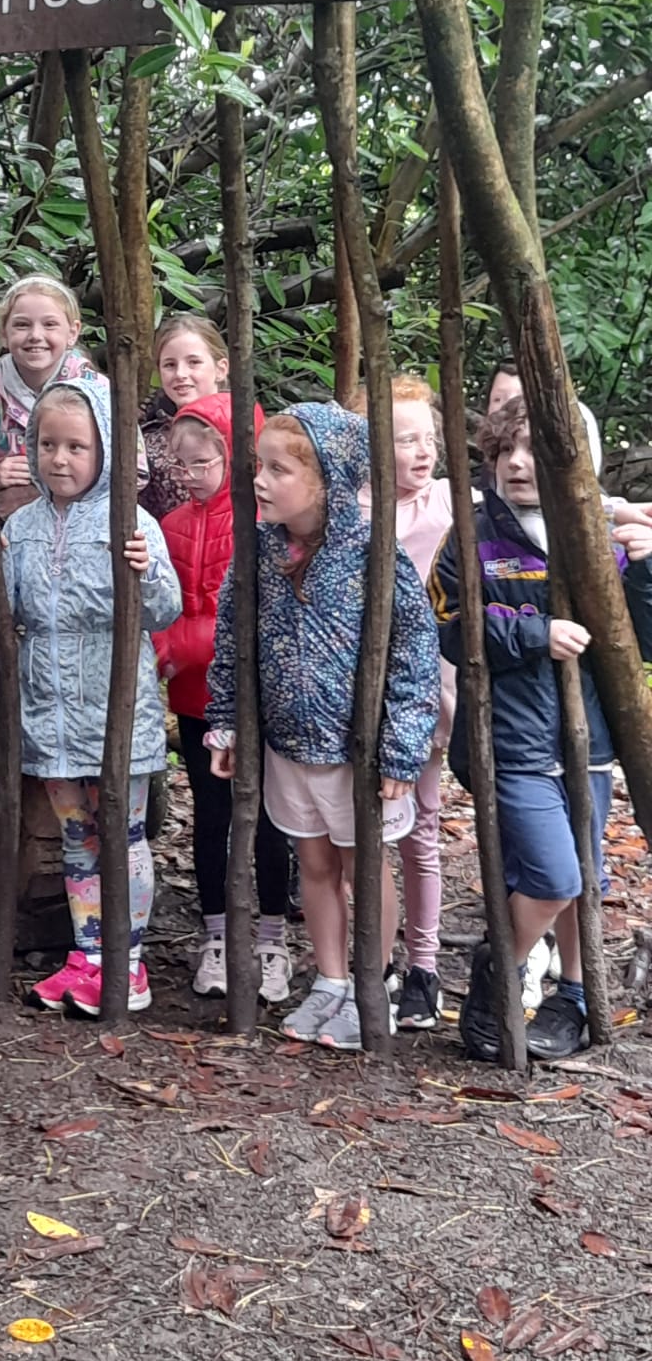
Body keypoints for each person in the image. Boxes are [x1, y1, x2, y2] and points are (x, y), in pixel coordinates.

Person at [206, 403, 440, 1051]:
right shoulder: (258, 553)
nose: (260, 480)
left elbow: (414, 655)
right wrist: (226, 721)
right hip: (288, 747)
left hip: (355, 754)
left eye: (279, 470)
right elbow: (231, 640)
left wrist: (401, 750)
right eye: (259, 466)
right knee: (313, 862)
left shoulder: (373, 555)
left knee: (364, 866)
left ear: (329, 479)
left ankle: (374, 980)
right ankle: (331, 980)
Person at [429, 395, 652, 1061]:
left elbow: (641, 641)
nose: (518, 464)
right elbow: (449, 625)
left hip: (589, 745)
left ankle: (574, 999)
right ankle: (497, 976)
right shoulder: (473, 534)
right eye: (506, 450)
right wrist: (533, 633)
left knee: (587, 877)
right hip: (512, 742)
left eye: (536, 451)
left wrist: (645, 569)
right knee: (555, 876)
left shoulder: (601, 536)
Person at [0, 378, 181, 1016]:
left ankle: (127, 962)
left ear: (105, 450)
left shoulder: (132, 521)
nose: (59, 459)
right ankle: (88, 954)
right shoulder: (21, 524)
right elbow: (1, 613)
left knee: (121, 832)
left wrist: (146, 571)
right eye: (47, 444)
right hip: (49, 705)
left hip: (114, 703)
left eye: (76, 447)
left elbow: (164, 609)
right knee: (76, 835)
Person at [151, 395, 294, 1003]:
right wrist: (164, 645)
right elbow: (162, 604)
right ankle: (214, 936)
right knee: (210, 818)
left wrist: (186, 643)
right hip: (194, 699)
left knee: (266, 820)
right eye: (180, 464)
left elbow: (257, 620)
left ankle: (272, 938)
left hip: (257, 702)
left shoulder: (263, 528)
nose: (189, 475)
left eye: (202, 463)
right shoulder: (170, 525)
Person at [347, 376, 452, 1030]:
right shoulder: (350, 510)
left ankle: (425, 966)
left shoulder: (451, 503)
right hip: (360, 692)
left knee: (423, 828)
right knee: (362, 831)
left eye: (428, 437)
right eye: (405, 439)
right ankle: (376, 958)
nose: (422, 451)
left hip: (428, 692)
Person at [0, 274, 100, 506]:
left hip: (84, 513)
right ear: (4, 333)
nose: (35, 336)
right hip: (3, 518)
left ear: (72, 332)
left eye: (50, 324)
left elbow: (133, 464)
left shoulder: (96, 394)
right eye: (22, 325)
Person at [140, 316, 232, 521]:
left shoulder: (248, 429)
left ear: (221, 369)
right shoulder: (149, 442)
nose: (180, 373)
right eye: (169, 365)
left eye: (194, 362)